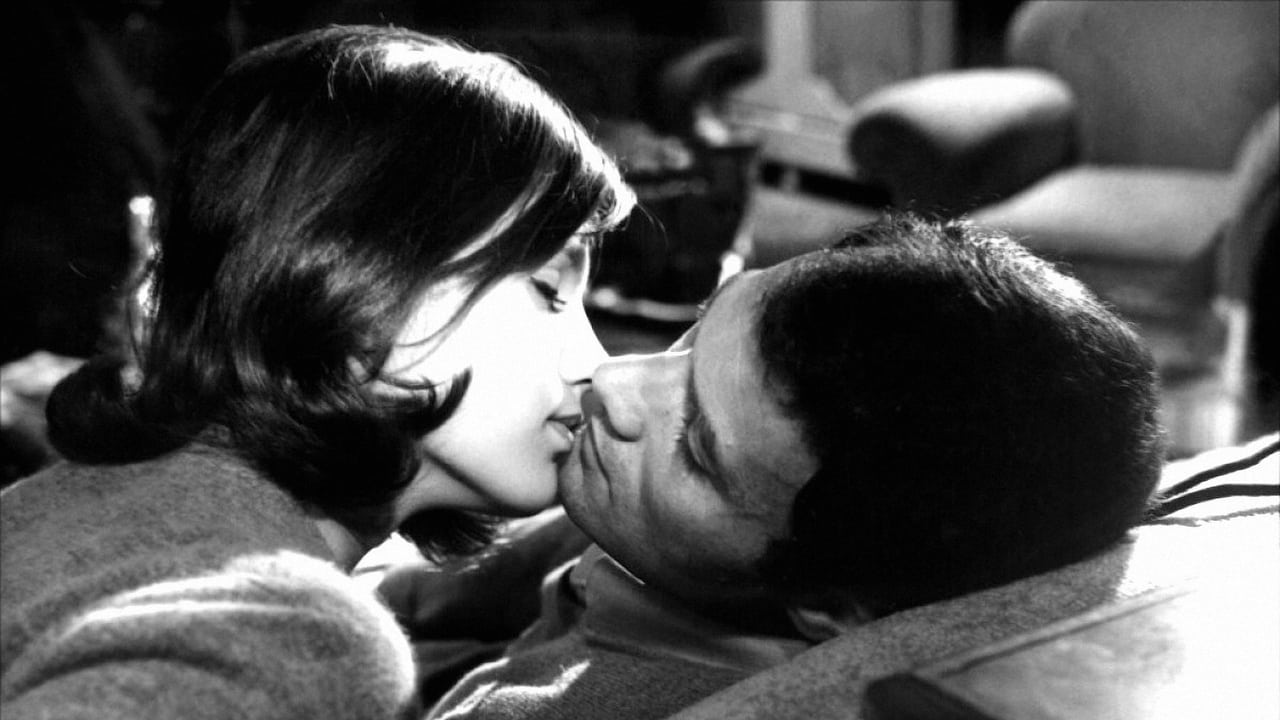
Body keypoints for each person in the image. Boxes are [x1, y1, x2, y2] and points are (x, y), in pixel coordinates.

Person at [0, 25, 634, 720]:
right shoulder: (286, 634)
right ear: (358, 284)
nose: (597, 367)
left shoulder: (74, 509)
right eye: (549, 288)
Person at [393, 213, 1166, 720]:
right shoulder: (669, 529)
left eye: (695, 447)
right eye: (699, 329)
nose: (612, 380)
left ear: (828, 608)